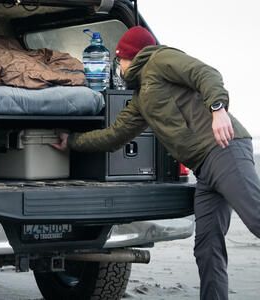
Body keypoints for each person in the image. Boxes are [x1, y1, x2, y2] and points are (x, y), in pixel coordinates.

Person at [53, 26, 260, 300]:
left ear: (129, 57)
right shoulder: (141, 99)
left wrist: (218, 108)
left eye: (119, 60)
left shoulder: (160, 60)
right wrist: (73, 142)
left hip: (224, 149)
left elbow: (206, 73)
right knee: (208, 248)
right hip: (205, 168)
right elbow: (114, 136)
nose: (119, 67)